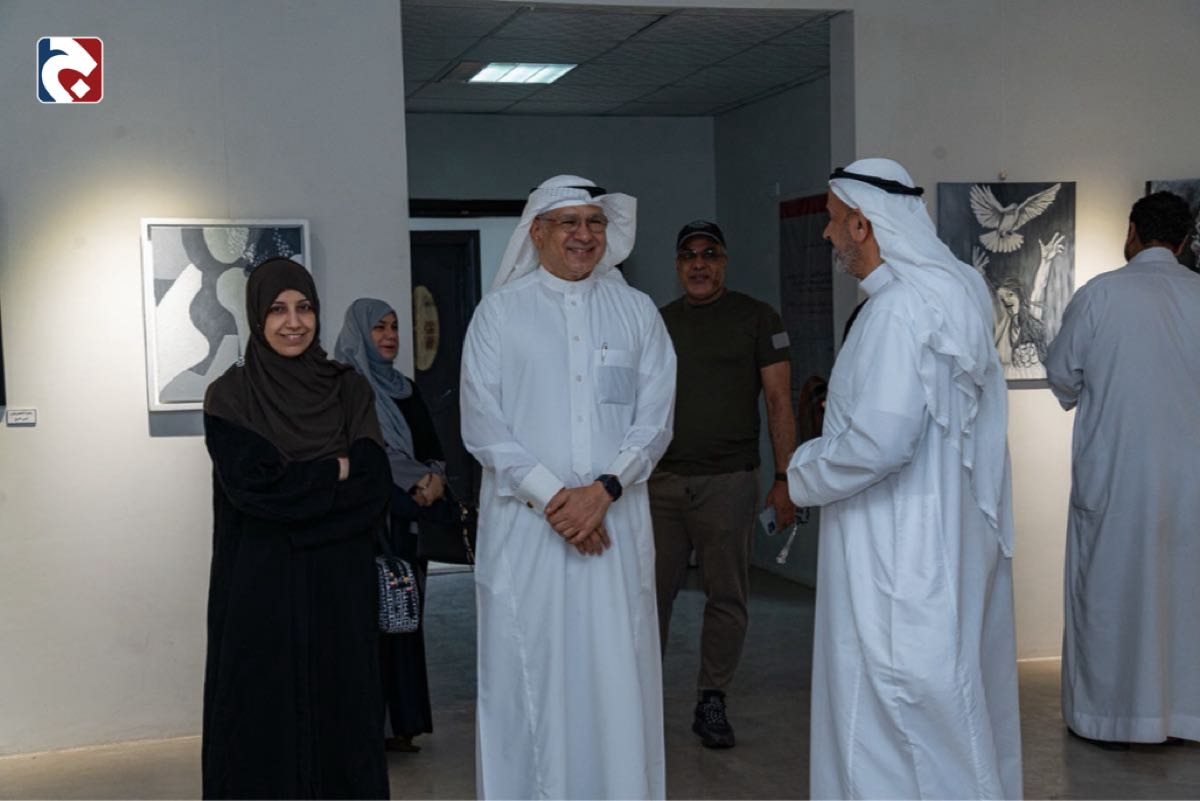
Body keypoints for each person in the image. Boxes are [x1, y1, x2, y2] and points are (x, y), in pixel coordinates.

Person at [787, 159, 1022, 799]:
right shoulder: (952, 292)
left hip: (898, 543)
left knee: (905, 707)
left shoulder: (898, 311)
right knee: (932, 699)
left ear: (862, 225)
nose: (827, 234)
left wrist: (799, 472)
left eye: (833, 221)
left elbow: (878, 444)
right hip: (938, 535)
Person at [460, 174, 676, 799]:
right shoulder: (499, 313)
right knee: (529, 676)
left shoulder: (636, 312)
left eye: (595, 222)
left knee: (616, 676)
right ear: (537, 232)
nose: (584, 235)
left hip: (615, 525)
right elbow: (482, 424)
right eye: (569, 223)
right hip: (529, 532)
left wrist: (603, 492)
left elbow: (656, 421)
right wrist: (559, 501)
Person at [201, 258, 391, 799]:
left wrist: (298, 495)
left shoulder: (348, 388)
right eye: (278, 309)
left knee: (343, 709)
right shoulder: (231, 396)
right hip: (259, 587)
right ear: (256, 317)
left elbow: (372, 488)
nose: (293, 322)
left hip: (338, 586)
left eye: (304, 308)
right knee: (260, 714)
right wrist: (335, 470)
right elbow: (254, 489)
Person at [1045, 190, 1200, 746]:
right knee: (1187, 600)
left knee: (1111, 598)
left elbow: (1062, 375)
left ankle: (1108, 717)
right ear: (1184, 241)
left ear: (1131, 231)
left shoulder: (1100, 295)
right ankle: (1186, 715)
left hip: (1117, 481)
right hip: (1191, 484)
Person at [650, 219, 794, 749]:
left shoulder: (757, 318)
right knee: (648, 598)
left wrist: (786, 479)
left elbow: (778, 401)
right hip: (660, 485)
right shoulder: (657, 322)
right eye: (689, 255)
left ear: (724, 262)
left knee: (727, 595)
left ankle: (712, 698)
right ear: (677, 265)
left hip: (729, 482)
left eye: (709, 254)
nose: (699, 264)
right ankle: (639, 701)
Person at [335, 297, 445, 754]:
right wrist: (416, 479)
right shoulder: (346, 388)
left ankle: (402, 723)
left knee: (404, 618)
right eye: (378, 327)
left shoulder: (404, 388)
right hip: (371, 523)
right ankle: (366, 727)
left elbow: (432, 444)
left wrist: (435, 478)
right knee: (370, 624)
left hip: (409, 521)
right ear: (360, 332)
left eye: (394, 327)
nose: (389, 336)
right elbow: (368, 451)